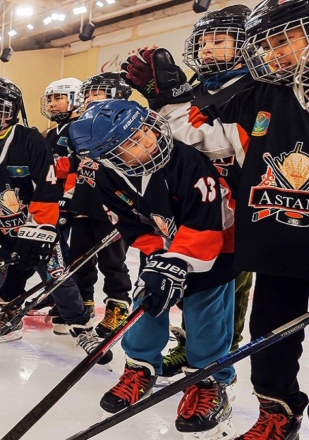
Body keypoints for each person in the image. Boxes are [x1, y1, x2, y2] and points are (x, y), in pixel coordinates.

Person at [118, 1, 309, 437]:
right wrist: (166, 99)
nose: (276, 52)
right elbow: (196, 134)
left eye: (286, 40)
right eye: (269, 44)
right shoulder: (262, 95)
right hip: (278, 244)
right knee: (270, 338)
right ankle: (278, 418)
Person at [69, 99, 237, 439]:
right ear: (109, 156)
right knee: (147, 305)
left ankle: (209, 381)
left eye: (144, 131)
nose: (147, 141)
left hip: (214, 252)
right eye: (130, 143)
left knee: (205, 319)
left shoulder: (187, 160)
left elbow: (208, 224)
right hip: (164, 251)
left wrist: (175, 261)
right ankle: (140, 368)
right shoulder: (107, 177)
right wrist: (159, 258)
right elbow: (132, 226)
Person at [0, 76, 106, 361]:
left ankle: (81, 326)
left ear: (8, 111)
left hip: (37, 225)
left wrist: (39, 232)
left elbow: (47, 190)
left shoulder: (29, 140)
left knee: (58, 277)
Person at [156, 4, 256, 381]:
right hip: (191, 207)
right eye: (204, 42)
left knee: (231, 284)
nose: (210, 49)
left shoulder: (256, 90)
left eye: (220, 40)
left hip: (238, 208)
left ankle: (221, 353)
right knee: (190, 280)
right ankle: (190, 343)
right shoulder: (193, 89)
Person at [64, 72, 134, 339]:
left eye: (99, 92)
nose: (92, 98)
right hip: (84, 201)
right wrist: (70, 194)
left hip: (114, 206)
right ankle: (84, 303)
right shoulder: (82, 124)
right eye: (90, 93)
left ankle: (118, 305)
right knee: (79, 259)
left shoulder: (128, 123)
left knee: (112, 261)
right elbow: (74, 163)